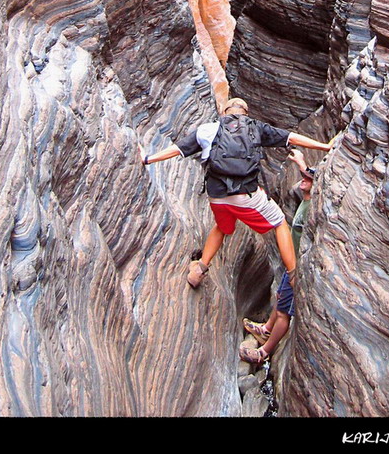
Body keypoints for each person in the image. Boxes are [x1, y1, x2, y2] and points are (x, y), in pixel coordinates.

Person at [140, 98, 331, 289]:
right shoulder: (256, 127)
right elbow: (293, 138)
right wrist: (324, 147)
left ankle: (199, 270)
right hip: (245, 195)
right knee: (279, 221)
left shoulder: (208, 129)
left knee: (222, 227)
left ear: (224, 112)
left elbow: (178, 149)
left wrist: (148, 159)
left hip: (217, 197)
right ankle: (293, 275)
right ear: (245, 113)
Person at [239, 148, 315, 366]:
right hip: (291, 262)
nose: (303, 180)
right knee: (281, 298)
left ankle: (263, 352)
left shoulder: (313, 204)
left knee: (284, 312)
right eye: (302, 177)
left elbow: (317, 175)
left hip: (299, 267)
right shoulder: (306, 199)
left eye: (307, 179)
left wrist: (301, 163)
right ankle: (265, 329)